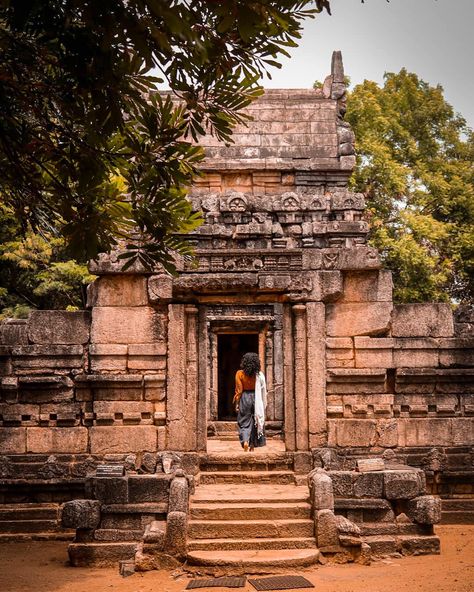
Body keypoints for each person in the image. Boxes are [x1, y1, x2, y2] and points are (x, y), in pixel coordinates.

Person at [232, 352, 267, 452]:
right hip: (257, 398)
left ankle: (245, 441)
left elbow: (239, 390)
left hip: (245, 397)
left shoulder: (240, 374)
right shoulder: (259, 375)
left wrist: (237, 403)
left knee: (243, 421)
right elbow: (263, 389)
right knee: (255, 421)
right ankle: (252, 445)